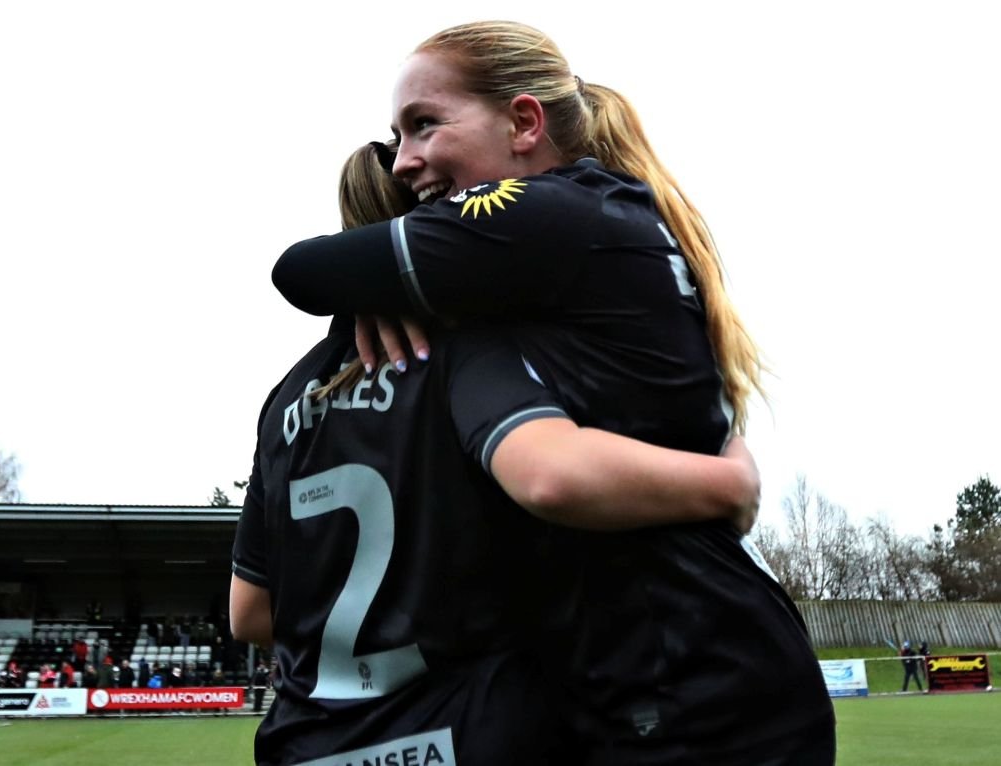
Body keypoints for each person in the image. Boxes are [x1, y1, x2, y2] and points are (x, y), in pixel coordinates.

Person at [269, 20, 834, 765]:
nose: (406, 161)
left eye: (425, 125)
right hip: (676, 665)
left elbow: (300, 270)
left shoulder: (544, 216)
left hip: (686, 680)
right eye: (397, 138)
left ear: (525, 122)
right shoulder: (585, 224)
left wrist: (726, 485)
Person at [231, 141, 761, 764]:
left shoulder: (287, 397)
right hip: (459, 734)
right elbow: (551, 474)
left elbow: (249, 612)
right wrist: (729, 481)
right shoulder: (464, 354)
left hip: (306, 744)